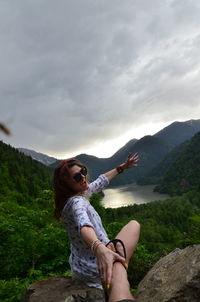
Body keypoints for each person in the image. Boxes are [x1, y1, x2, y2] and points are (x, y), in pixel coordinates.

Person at [53, 153, 140, 302]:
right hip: (96, 264)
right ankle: (118, 279)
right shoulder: (76, 203)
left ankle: (116, 263)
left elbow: (101, 181)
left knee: (134, 225)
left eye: (84, 171)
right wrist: (99, 248)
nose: (83, 177)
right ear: (66, 184)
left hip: (82, 263)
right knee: (120, 268)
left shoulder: (80, 193)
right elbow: (84, 225)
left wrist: (122, 167)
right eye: (77, 177)